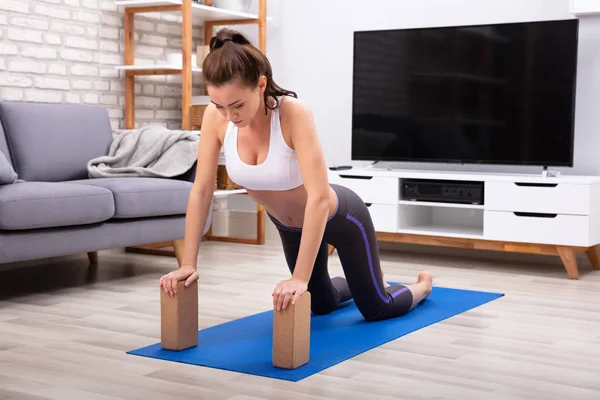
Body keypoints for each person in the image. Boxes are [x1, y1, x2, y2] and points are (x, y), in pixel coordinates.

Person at [159, 28, 433, 322]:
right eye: (220, 105)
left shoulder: (292, 114)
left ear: (261, 84)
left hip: (338, 217)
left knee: (377, 308)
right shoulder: (216, 118)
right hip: (291, 228)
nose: (229, 115)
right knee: (321, 304)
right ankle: (364, 278)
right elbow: (201, 191)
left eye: (237, 105)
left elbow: (317, 197)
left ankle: (422, 286)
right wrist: (188, 262)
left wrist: (299, 278)